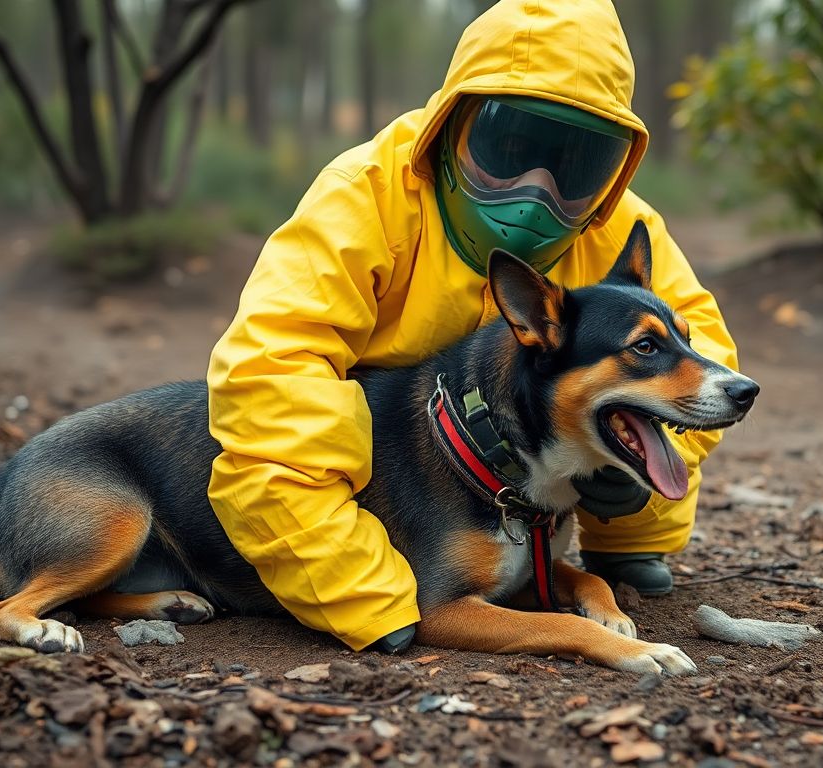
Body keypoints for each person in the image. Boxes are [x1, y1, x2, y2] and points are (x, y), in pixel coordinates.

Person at [206, 0, 741, 654]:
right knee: (315, 435)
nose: (537, 189)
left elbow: (698, 352)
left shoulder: (614, 223)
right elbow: (271, 378)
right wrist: (359, 586)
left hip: (536, 458)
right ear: (452, 124)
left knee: (634, 399)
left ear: (613, 172)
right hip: (395, 457)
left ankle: (626, 541)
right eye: (507, 148)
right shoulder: (365, 195)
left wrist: (636, 468)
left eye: (575, 166)